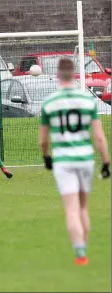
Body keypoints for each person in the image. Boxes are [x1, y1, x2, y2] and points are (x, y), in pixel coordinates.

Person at [39, 58, 110, 266]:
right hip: (85, 159)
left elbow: (43, 140)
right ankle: (83, 248)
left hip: (63, 160)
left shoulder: (49, 103)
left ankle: (80, 254)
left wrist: (46, 157)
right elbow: (99, 137)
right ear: (74, 75)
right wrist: (106, 161)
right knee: (83, 208)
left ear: (58, 76)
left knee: (71, 208)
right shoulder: (87, 101)